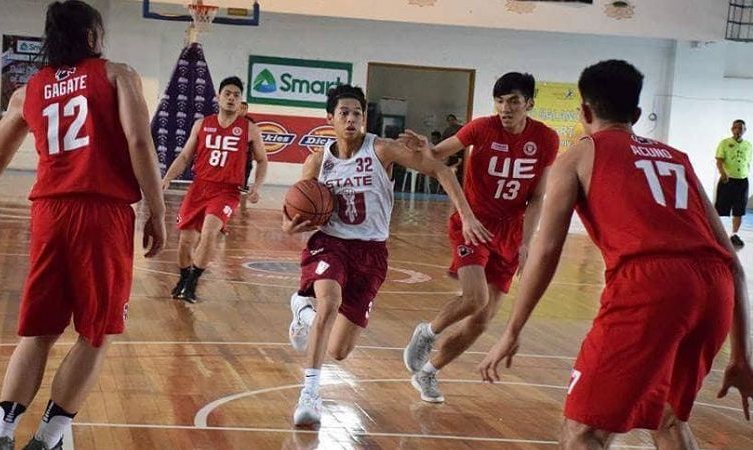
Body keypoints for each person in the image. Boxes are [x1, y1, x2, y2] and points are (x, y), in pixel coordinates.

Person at [479, 60, 753, 449]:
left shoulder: (577, 156)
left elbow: (546, 251)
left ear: (585, 112)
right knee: (666, 417)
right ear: (637, 114)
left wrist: (512, 330)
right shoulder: (678, 158)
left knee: (583, 430)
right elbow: (734, 265)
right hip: (715, 289)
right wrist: (741, 356)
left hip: (651, 287)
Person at [0, 2, 166, 449]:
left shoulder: (28, 90)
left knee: (38, 334)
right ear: (93, 36)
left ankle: (1, 437)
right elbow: (138, 140)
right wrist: (158, 209)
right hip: (102, 213)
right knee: (96, 333)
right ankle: (48, 438)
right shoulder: (118, 75)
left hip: (48, 214)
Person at [283, 84, 491, 427]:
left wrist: (467, 215)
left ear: (365, 118)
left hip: (371, 252)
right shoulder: (317, 161)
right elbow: (293, 210)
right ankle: (310, 394)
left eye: (357, 114)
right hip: (329, 243)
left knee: (339, 349)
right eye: (344, 113)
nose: (351, 119)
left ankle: (303, 313)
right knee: (330, 301)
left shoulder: (382, 150)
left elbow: (439, 169)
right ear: (329, 119)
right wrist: (291, 226)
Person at [401, 72, 559, 403]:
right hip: (471, 223)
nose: (505, 108)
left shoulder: (546, 139)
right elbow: (438, 155)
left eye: (514, 101)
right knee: (475, 298)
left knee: (480, 322)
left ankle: (428, 373)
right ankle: (427, 333)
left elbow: (537, 198)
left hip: (510, 233)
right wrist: (426, 148)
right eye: (500, 101)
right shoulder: (481, 128)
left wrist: (527, 242)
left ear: (529, 103)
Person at [161, 77, 267, 303]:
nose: (231, 97)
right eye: (227, 93)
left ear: (241, 102)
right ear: (218, 97)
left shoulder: (249, 129)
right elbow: (185, 156)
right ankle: (183, 278)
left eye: (236, 95)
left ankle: (192, 283)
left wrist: (256, 187)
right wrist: (167, 178)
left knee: (209, 233)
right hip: (199, 187)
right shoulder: (202, 124)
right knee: (185, 241)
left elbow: (263, 161)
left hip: (227, 191)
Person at [715, 119, 751, 247]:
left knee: (739, 210)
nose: (738, 130)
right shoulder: (725, 143)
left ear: (744, 130)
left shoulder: (748, 145)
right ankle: (715, 234)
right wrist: (723, 173)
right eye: (735, 128)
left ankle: (734, 234)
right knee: (720, 209)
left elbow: (748, 163)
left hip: (742, 181)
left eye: (741, 128)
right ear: (732, 129)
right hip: (728, 180)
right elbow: (719, 161)